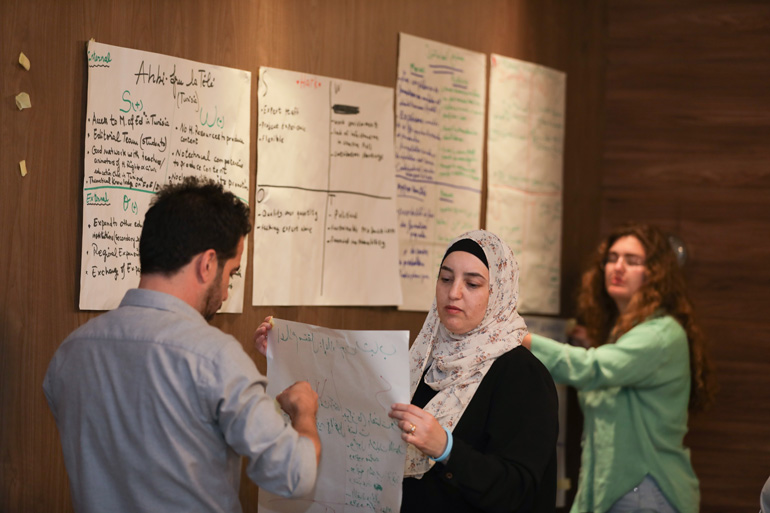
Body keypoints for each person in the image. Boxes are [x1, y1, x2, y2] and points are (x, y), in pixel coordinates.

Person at [44, 178, 321, 513]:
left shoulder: (70, 352)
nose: (226, 293)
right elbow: (293, 475)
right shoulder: (214, 357)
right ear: (207, 264)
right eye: (231, 273)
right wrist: (304, 414)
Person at [256, 230, 559, 512]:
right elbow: (352, 414)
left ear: (499, 293)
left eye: (472, 283)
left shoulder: (523, 376)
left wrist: (446, 449)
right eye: (445, 278)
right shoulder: (422, 359)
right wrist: (285, 353)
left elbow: (520, 488)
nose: (454, 293)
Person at [522, 222, 716, 513]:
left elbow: (593, 370)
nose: (618, 267)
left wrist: (520, 339)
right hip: (618, 490)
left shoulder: (660, 334)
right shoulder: (625, 334)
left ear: (655, 273)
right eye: (612, 258)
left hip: (644, 492)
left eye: (632, 260)